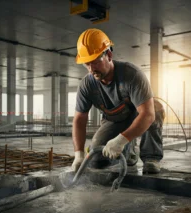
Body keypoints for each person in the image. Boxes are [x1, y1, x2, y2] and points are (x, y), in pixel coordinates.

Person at [71, 28, 166, 174]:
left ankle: (151, 158)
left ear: (108, 55)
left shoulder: (132, 75)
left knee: (155, 108)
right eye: (87, 64)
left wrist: (121, 140)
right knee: (97, 160)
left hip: (139, 115)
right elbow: (79, 119)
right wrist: (78, 155)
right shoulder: (87, 84)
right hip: (115, 120)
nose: (91, 69)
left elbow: (147, 114)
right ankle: (129, 154)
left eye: (95, 62)